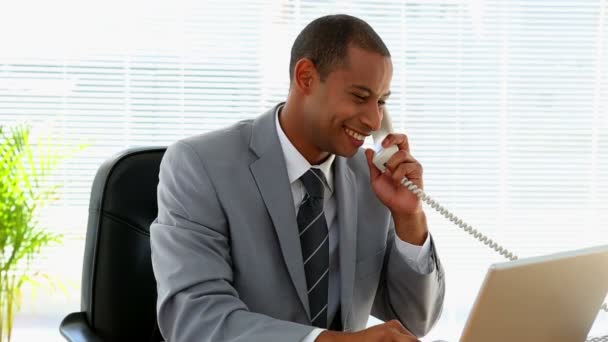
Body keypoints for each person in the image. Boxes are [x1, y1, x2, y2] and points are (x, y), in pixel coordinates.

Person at [150, 14, 445, 342]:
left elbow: (415, 320)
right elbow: (194, 319)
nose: (374, 120)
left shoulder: (373, 176)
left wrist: (410, 217)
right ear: (305, 77)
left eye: (382, 102)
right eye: (360, 97)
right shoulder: (199, 166)